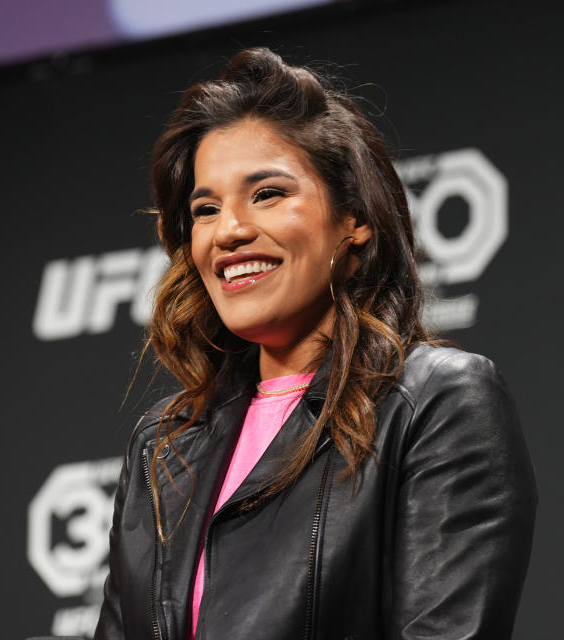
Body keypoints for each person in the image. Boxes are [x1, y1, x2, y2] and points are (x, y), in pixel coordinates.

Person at [95, 47, 537, 640]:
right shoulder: (161, 444)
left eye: (268, 194)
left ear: (352, 217)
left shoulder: (438, 402)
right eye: (205, 209)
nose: (228, 231)